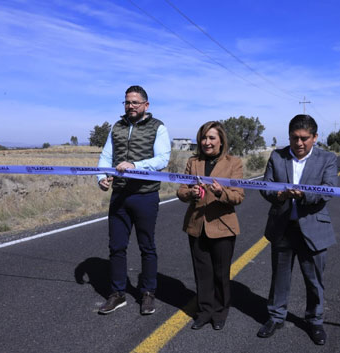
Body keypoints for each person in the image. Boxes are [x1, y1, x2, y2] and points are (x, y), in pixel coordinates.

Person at [257, 114, 337, 346]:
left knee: (314, 280)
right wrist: (278, 194)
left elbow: (329, 189)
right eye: (294, 138)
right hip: (282, 228)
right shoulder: (277, 156)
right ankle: (276, 316)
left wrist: (304, 194)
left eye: (304, 138)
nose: (299, 143)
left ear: (315, 137)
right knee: (279, 278)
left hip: (313, 229)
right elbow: (266, 186)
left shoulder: (327, 158)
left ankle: (315, 321)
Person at [96, 85, 171, 315]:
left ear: (146, 105)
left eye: (135, 102)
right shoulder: (117, 127)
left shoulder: (158, 127)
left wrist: (135, 166)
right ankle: (117, 293)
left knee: (147, 246)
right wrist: (101, 177)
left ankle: (148, 293)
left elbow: (162, 159)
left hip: (145, 195)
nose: (130, 106)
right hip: (120, 195)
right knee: (116, 246)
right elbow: (106, 156)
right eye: (127, 102)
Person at [177, 121, 244, 330]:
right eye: (204, 138)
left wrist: (220, 192)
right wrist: (190, 193)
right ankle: (205, 311)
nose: (207, 142)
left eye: (211, 138)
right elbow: (181, 190)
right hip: (196, 225)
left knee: (220, 273)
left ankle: (220, 312)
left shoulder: (234, 163)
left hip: (223, 226)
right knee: (202, 272)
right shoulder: (193, 161)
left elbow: (238, 196)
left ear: (221, 140)